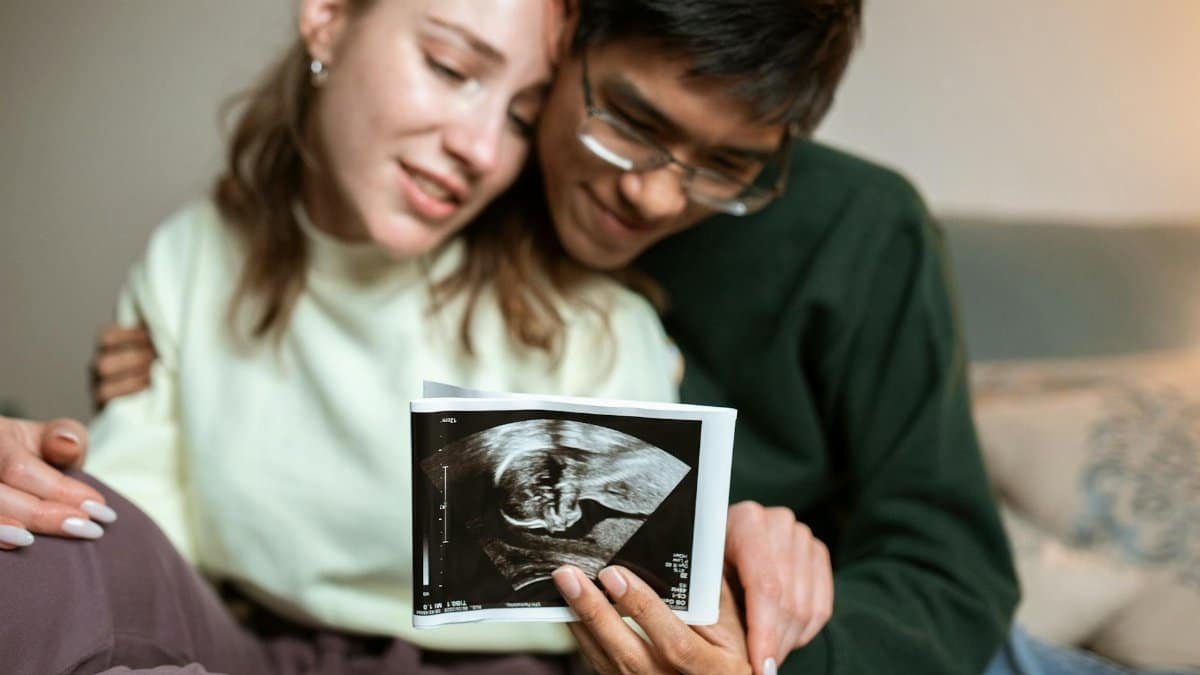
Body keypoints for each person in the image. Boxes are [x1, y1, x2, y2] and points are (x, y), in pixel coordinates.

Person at [5, 0, 1019, 673]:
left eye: (727, 165)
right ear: (570, 36)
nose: (658, 193)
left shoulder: (856, 230)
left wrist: (747, 617)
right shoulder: (441, 176)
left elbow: (948, 571)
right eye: (626, 119)